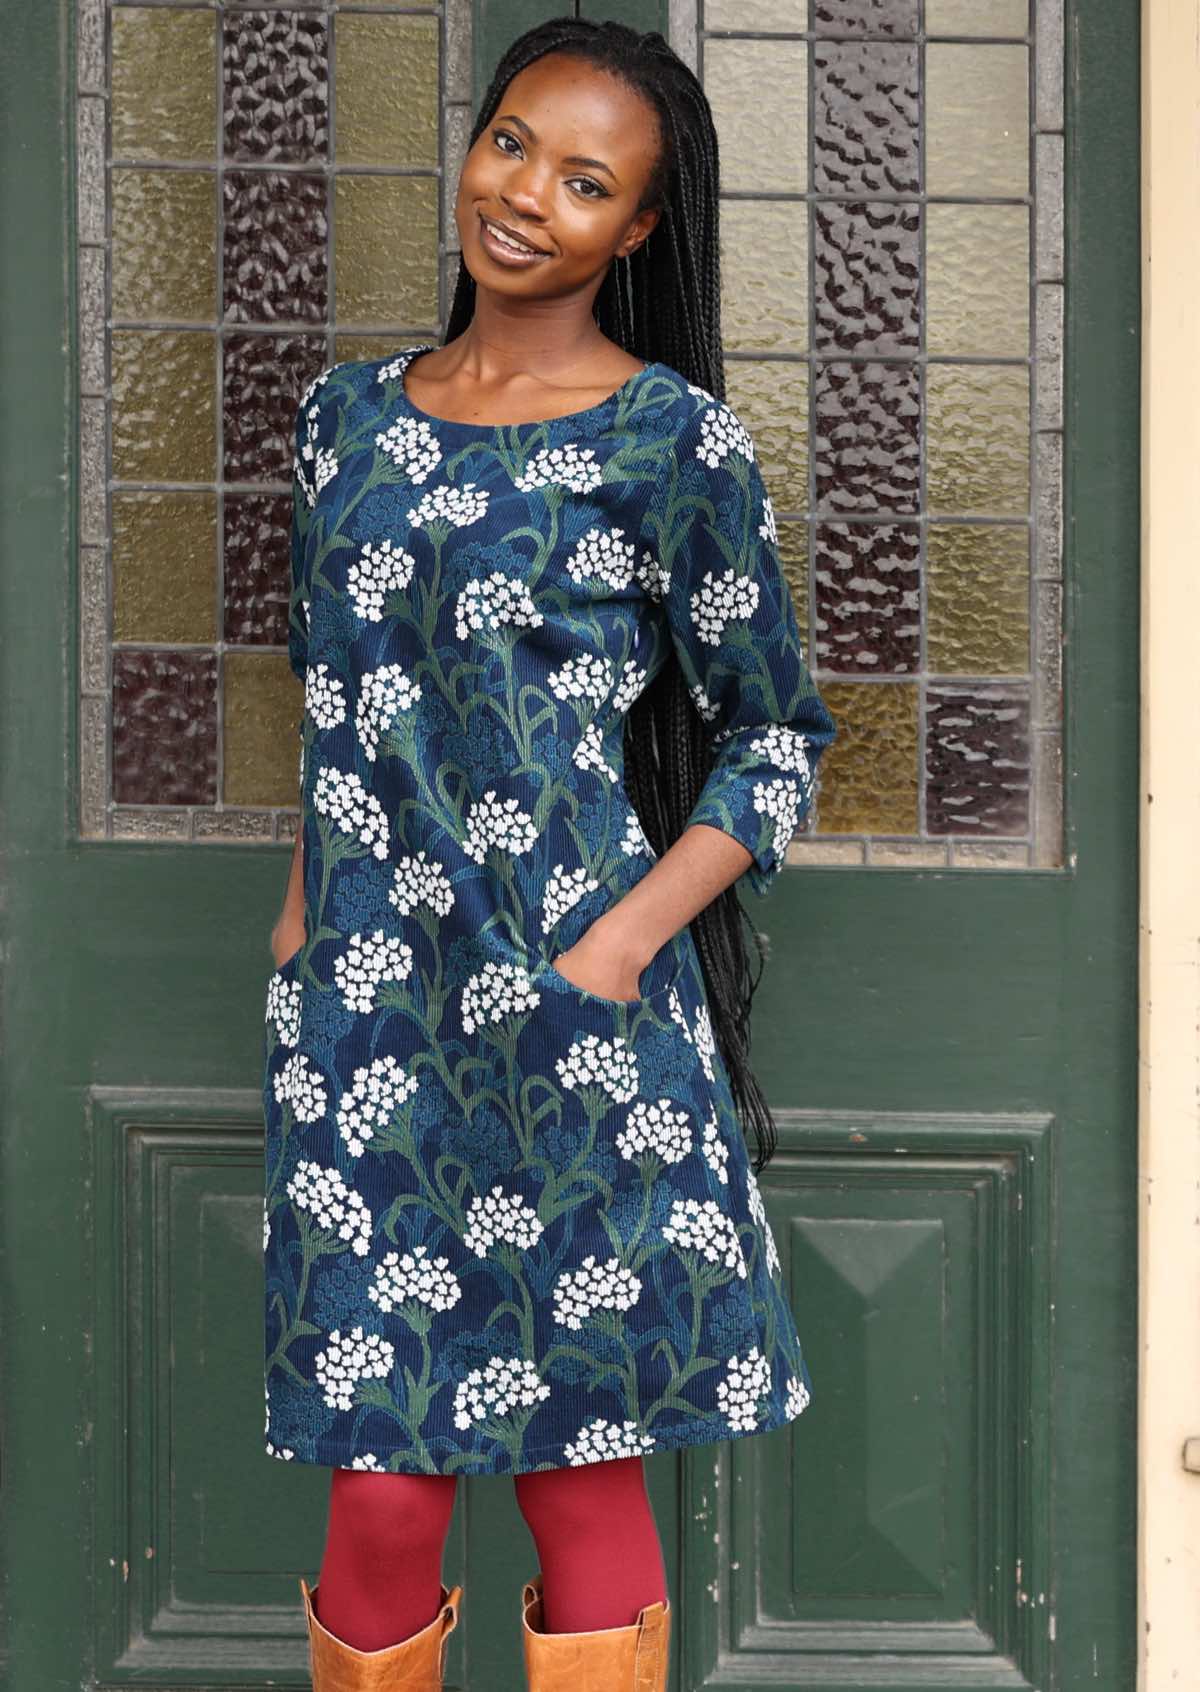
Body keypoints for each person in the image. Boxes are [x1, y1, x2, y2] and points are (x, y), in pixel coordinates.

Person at [262, 16, 838, 1690]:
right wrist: (303, 930)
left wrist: (621, 946)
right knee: (378, 1497)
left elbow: (779, 737)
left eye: (586, 181)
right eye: (512, 144)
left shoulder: (672, 444)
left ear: (636, 230)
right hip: (372, 1029)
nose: (527, 197)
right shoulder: (344, 423)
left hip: (577, 1028)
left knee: (582, 1476)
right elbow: (332, 696)